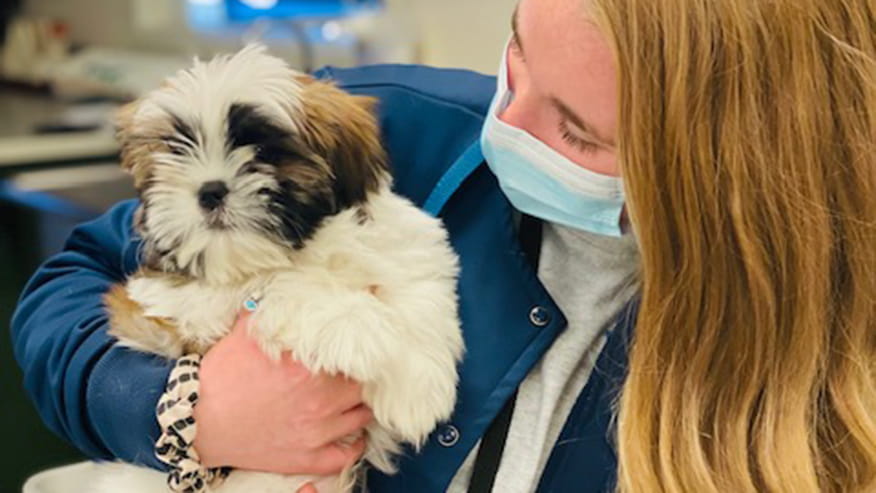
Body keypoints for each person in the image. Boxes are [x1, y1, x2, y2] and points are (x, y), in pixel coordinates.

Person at [11, 0, 876, 491]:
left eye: (578, 132)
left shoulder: (814, 367)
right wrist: (184, 409)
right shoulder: (398, 124)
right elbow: (72, 285)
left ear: (730, 167)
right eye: (517, 54)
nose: (505, 126)